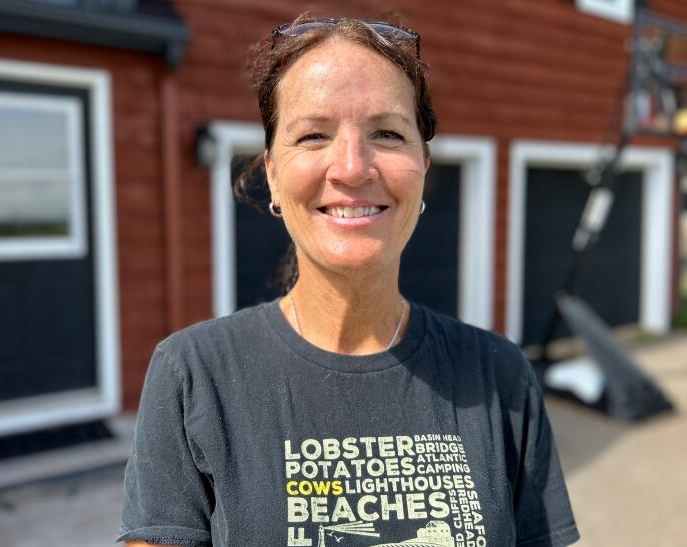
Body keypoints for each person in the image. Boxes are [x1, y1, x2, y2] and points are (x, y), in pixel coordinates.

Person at [118, 16, 580, 547]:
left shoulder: (499, 375)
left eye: (387, 133)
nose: (353, 167)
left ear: (423, 166)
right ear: (272, 171)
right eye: (313, 135)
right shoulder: (193, 375)